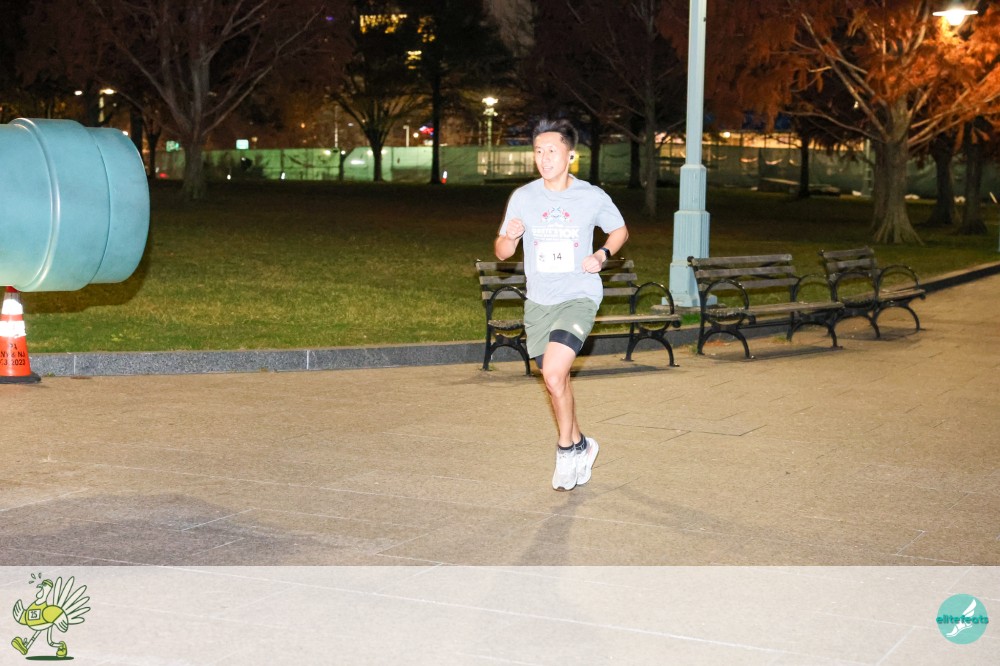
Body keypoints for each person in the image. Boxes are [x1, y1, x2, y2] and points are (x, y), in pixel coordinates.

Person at [494, 118, 629, 491]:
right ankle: (582, 444)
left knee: (553, 374)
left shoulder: (590, 196)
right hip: (539, 303)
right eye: (538, 151)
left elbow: (619, 230)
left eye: (552, 150)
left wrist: (601, 254)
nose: (544, 157)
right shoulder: (524, 197)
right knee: (557, 383)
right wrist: (511, 237)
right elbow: (502, 252)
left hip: (578, 295)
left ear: (570, 155)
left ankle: (566, 449)